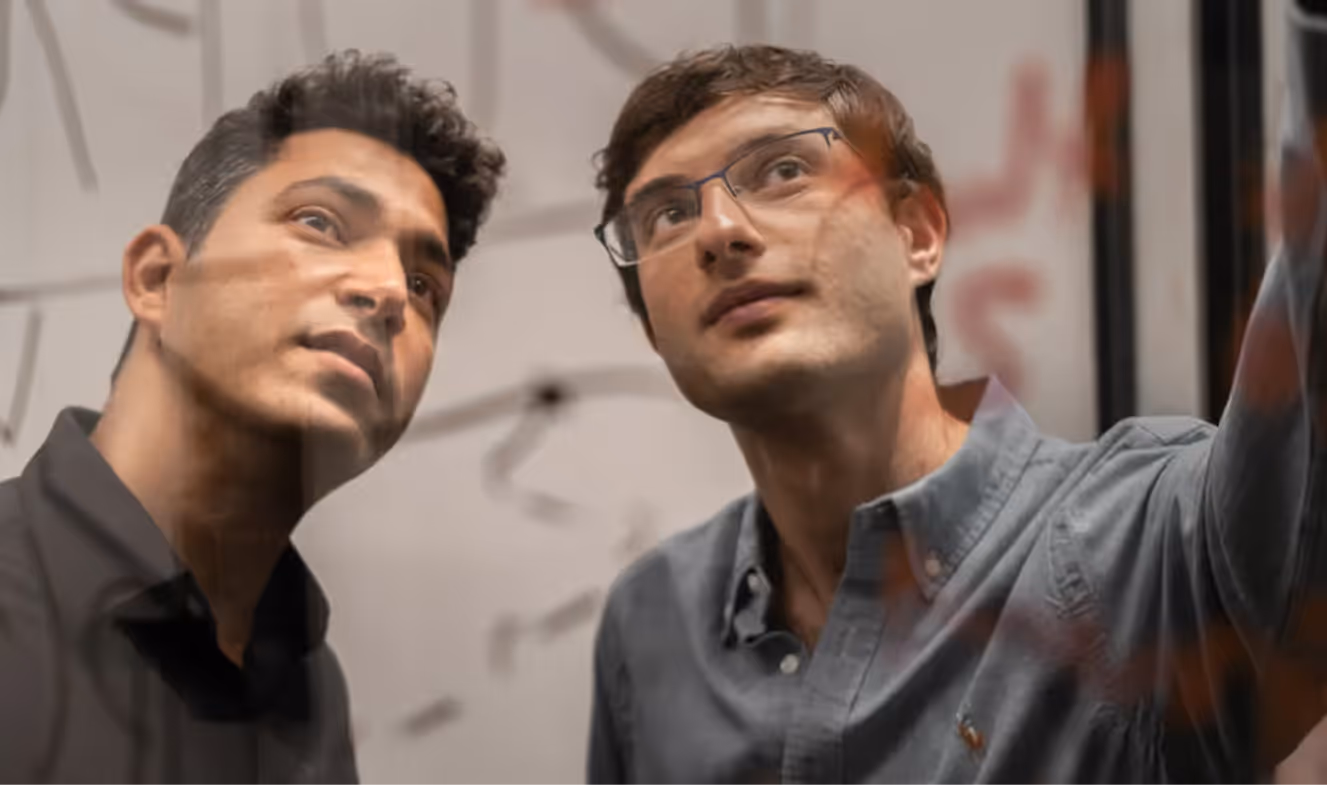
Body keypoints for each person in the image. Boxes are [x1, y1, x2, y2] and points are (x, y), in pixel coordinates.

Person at [585, 1, 1327, 782]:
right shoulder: (651, 621)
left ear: (918, 234)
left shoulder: (1142, 544)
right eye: (666, 214)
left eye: (782, 170)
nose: (718, 230)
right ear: (651, 327)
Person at [0, 51, 504, 784]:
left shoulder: (308, 681)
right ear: (157, 278)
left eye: (425, 283)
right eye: (322, 222)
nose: (389, 290)